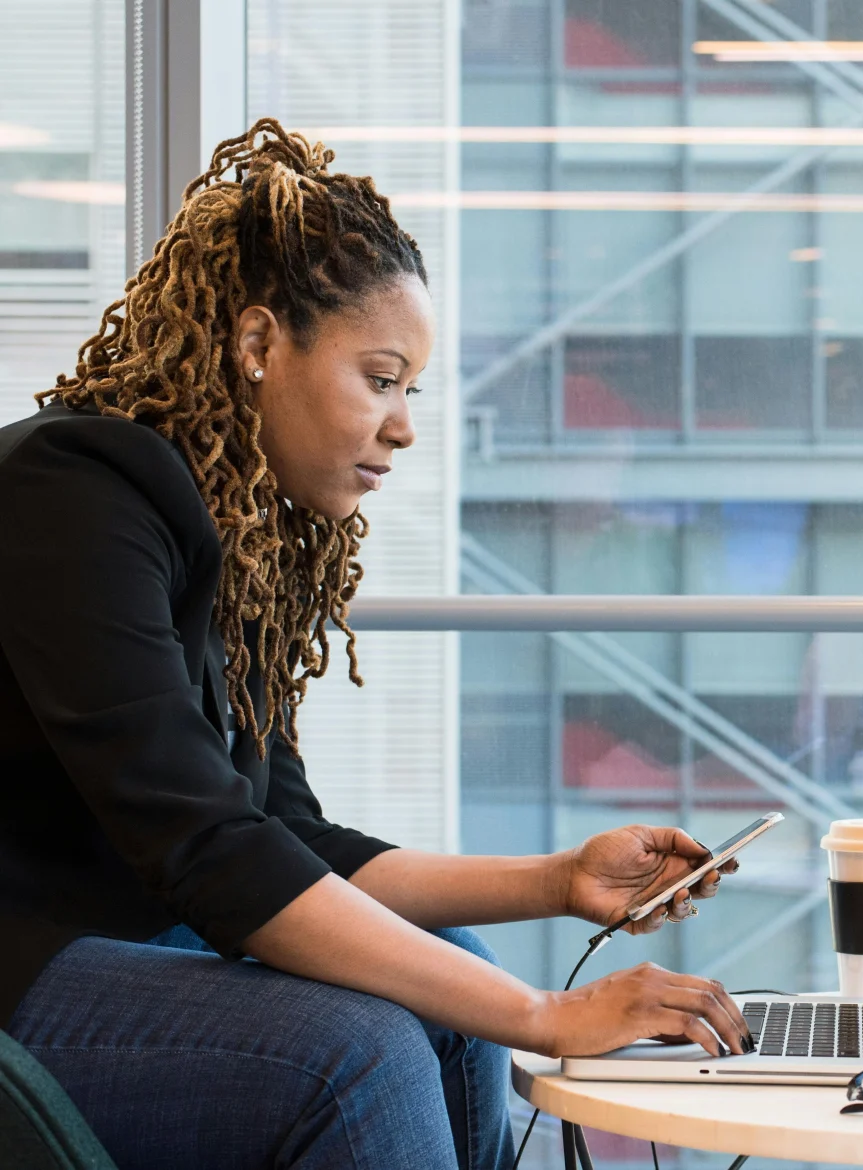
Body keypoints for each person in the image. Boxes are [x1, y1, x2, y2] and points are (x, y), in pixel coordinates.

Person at [0, 119, 748, 1170]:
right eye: (382, 378)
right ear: (260, 346)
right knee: (357, 1053)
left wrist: (557, 879)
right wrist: (542, 1011)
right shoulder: (74, 494)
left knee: (447, 984)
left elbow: (286, 839)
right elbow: (212, 854)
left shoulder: (237, 540)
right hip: (21, 976)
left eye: (412, 391)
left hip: (112, 950)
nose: (403, 427)